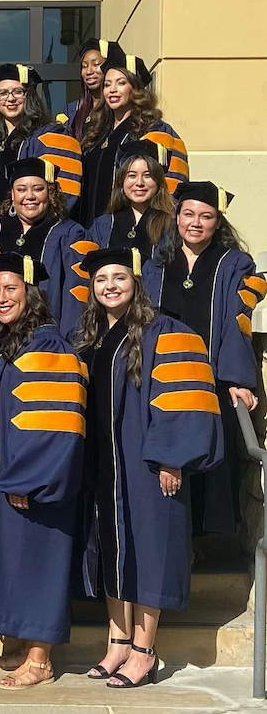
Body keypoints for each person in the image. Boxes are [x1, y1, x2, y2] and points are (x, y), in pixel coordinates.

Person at [74, 247, 223, 688]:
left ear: (135, 281)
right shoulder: (93, 336)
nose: (110, 286)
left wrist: (170, 457)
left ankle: (145, 651)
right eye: (102, 280)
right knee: (112, 550)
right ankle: (117, 643)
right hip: (104, 464)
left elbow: (183, 397)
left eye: (119, 277)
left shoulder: (165, 331)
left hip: (146, 462)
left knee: (149, 551)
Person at [0, 251, 86, 690]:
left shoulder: (47, 343)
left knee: (37, 562)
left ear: (31, 293)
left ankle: (41, 659)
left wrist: (29, 477)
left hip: (32, 479)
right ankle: (17, 647)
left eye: (11, 288)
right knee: (14, 560)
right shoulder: (3, 342)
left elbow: (54, 420)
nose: (1, 297)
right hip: (6, 472)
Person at [143, 182, 265, 537]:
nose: (196, 223)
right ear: (176, 216)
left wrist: (237, 380)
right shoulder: (157, 262)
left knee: (209, 457)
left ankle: (201, 542)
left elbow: (236, 322)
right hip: (162, 381)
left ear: (218, 222)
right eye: (189, 214)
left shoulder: (234, 264)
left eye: (206, 216)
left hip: (211, 382)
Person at [0, 64, 83, 220]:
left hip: (28, 232)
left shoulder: (50, 137)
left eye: (18, 92)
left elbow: (61, 197)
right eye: (3, 93)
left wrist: (16, 221)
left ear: (30, 96)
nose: (10, 98)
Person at [77, 51, 188, 227]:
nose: (112, 90)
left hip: (132, 228)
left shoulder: (154, 130)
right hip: (93, 228)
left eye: (121, 83)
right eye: (107, 84)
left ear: (135, 89)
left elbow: (168, 187)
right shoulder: (96, 132)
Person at [0, 158, 95, 337]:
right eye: (21, 189)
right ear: (12, 195)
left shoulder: (70, 234)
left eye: (38, 189)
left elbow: (76, 302)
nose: (30, 196)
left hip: (46, 340)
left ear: (51, 193)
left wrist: (64, 344)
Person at [89, 139, 175, 260]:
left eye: (147, 175)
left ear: (158, 182)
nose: (139, 183)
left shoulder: (170, 224)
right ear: (121, 181)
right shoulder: (104, 224)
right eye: (132, 176)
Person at [57, 39, 124, 142]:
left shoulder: (117, 107)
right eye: (84, 66)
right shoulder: (73, 110)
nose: (89, 71)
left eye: (96, 64)